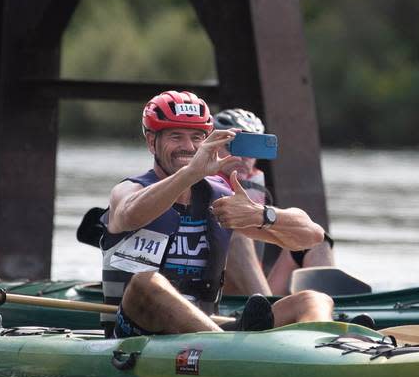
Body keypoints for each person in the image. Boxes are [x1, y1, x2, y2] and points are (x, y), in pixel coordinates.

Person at [101, 90, 334, 337]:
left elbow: (313, 236)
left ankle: (325, 353)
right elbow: (130, 214)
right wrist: (191, 172)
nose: (188, 147)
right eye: (176, 136)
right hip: (134, 330)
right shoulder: (128, 191)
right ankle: (231, 349)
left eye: (197, 137)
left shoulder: (218, 196)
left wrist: (259, 214)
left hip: (206, 333)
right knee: (146, 282)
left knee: (313, 300)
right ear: (151, 142)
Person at [212, 108, 336, 297]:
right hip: (215, 290)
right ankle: (269, 313)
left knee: (318, 240)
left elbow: (313, 233)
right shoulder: (199, 179)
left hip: (255, 289)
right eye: (233, 145)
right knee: (236, 234)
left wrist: (261, 215)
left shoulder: (256, 185)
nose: (243, 156)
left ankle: (329, 309)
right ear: (213, 146)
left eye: (251, 147)